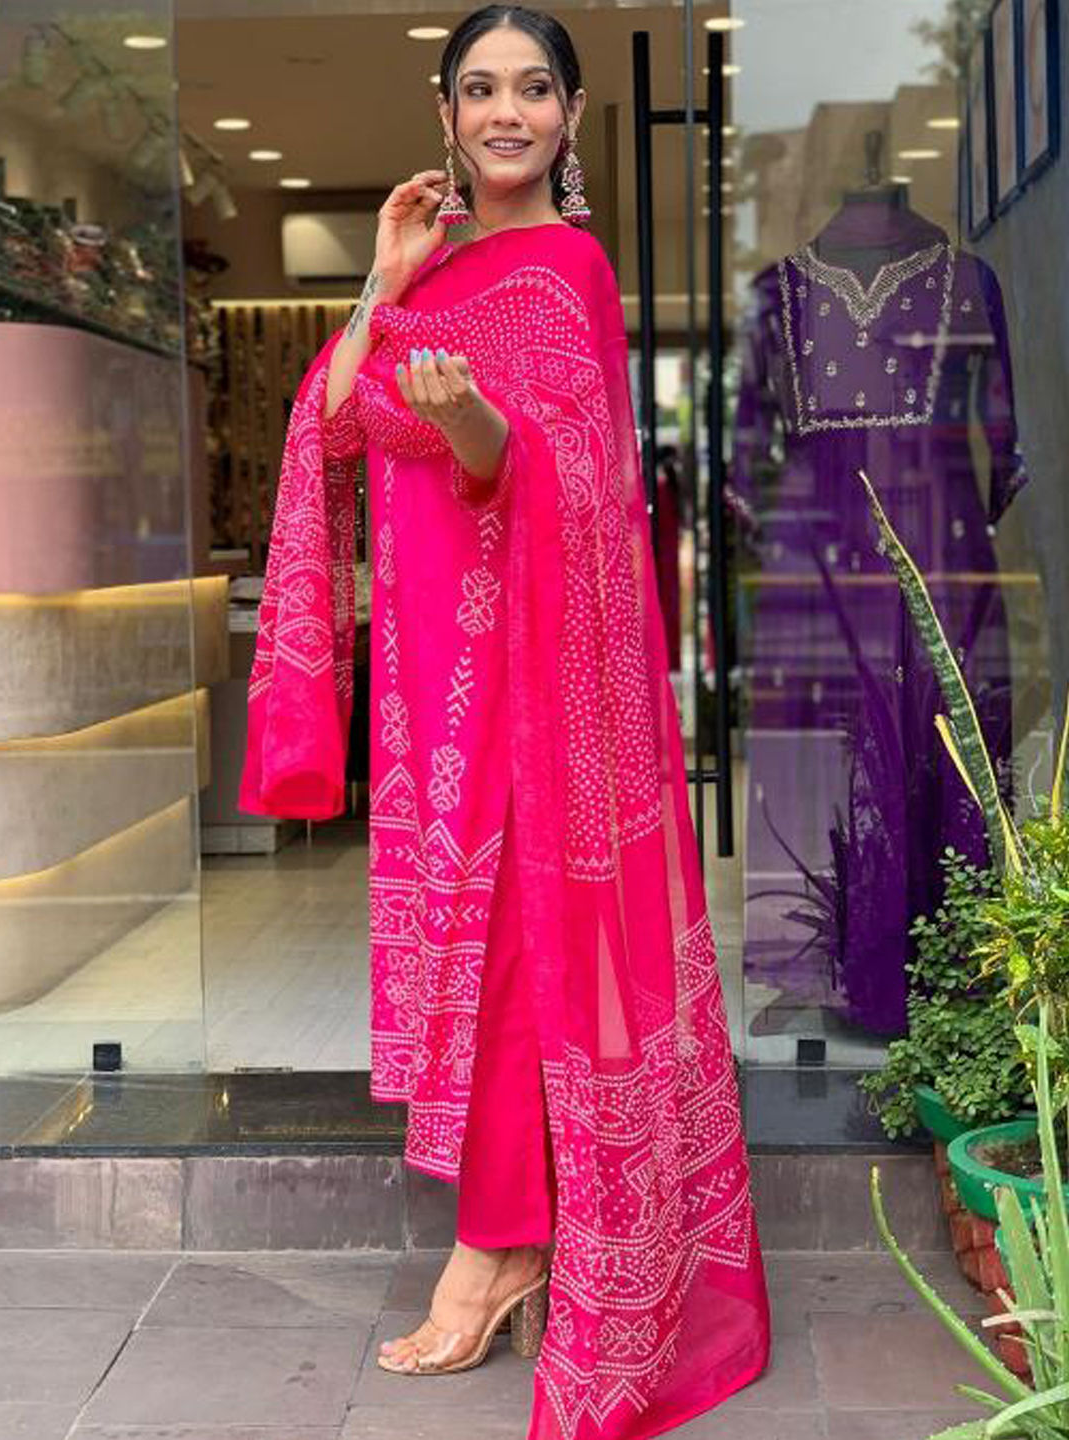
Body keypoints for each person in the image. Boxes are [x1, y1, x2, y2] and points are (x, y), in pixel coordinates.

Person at [240, 6, 771, 1436]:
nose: (506, 112)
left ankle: (495, 1253)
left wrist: (471, 417)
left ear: (574, 115)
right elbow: (332, 423)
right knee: (473, 959)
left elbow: (548, 473)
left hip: (537, 673)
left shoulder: (571, 269)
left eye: (534, 88)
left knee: (522, 957)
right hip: (432, 687)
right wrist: (384, 277)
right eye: (480, 89)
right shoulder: (434, 265)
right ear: (445, 111)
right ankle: (516, 1236)